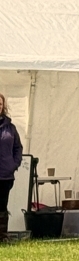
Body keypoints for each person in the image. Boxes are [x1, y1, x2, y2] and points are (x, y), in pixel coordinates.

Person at [0, 92, 23, 242]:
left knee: (1, 207)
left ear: (3, 107)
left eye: (0, 104)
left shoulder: (11, 128)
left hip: (5, 175)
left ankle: (2, 236)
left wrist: (14, 164)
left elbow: (18, 148)